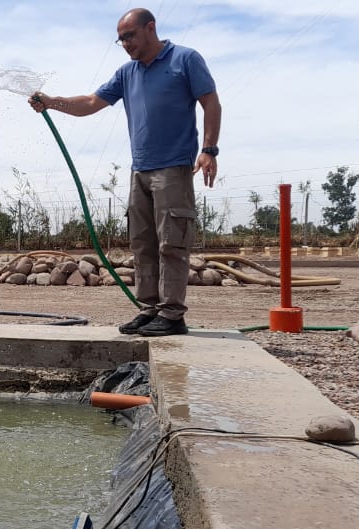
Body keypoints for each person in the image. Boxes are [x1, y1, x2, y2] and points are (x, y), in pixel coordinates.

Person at [30, 8, 221, 337]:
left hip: (174, 168)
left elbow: (211, 103)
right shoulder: (127, 73)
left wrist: (208, 150)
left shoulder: (185, 60)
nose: (126, 43)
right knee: (143, 243)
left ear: (151, 28)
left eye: (130, 35)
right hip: (140, 171)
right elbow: (91, 103)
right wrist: (52, 102)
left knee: (171, 243)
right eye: (121, 39)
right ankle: (150, 309)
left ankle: (173, 314)